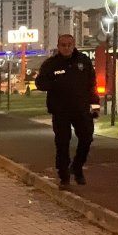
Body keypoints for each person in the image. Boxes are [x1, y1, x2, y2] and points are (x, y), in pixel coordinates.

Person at [34, 34, 100, 187]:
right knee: (62, 143)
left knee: (87, 138)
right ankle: (64, 177)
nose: (66, 48)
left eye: (69, 44)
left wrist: (95, 106)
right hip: (60, 110)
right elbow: (40, 83)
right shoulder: (51, 64)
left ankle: (77, 167)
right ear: (58, 46)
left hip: (81, 108)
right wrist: (56, 84)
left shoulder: (83, 61)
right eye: (63, 45)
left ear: (74, 45)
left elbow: (92, 85)